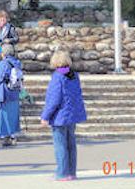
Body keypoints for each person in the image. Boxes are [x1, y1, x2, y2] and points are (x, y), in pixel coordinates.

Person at [40, 51, 87, 181]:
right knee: (71, 145)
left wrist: (45, 116)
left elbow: (54, 99)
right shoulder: (73, 75)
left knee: (60, 146)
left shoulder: (57, 77)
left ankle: (62, 173)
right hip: (72, 115)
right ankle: (72, 172)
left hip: (60, 116)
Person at [0, 44, 21, 147]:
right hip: (14, 92)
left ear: (3, 53)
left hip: (3, 93)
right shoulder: (17, 63)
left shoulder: (3, 64)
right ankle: (9, 136)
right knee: (11, 116)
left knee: (0, 116)